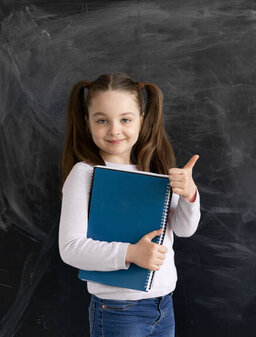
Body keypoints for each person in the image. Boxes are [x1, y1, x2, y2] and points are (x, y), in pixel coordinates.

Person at [58, 72, 201, 336]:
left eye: (125, 119)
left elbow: (184, 230)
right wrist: (131, 254)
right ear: (87, 122)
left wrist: (190, 195)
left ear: (142, 121)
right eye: (102, 120)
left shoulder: (158, 172)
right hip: (117, 310)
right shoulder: (86, 173)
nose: (114, 129)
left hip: (164, 305)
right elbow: (71, 249)